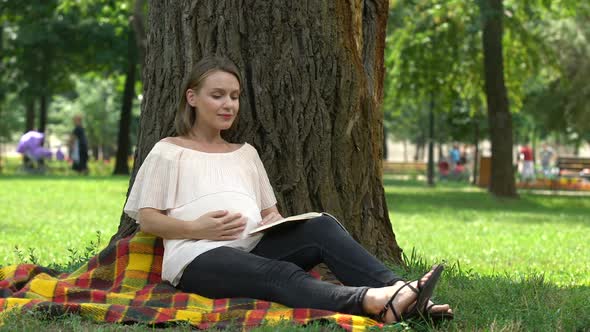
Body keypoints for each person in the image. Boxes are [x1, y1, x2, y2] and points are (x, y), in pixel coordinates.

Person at [123, 56, 453, 325]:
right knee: (280, 273)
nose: (229, 105)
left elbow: (269, 213)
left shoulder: (246, 154)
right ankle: (374, 302)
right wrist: (197, 228)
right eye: (217, 95)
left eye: (235, 96)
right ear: (192, 98)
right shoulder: (169, 150)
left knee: (320, 225)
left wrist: (278, 225)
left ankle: (402, 291)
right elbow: (148, 220)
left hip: (253, 246)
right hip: (200, 257)